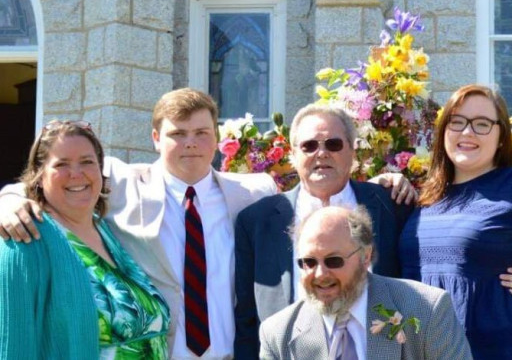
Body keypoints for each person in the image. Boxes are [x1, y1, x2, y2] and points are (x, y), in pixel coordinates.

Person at [0, 89, 411, 359]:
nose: (191, 143)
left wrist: (384, 182)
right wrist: (8, 200)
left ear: (217, 138)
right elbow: (58, 179)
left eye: (201, 132)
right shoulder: (121, 183)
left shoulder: (254, 193)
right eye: (178, 134)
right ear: (156, 139)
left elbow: (319, 200)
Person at [234, 103, 416, 358]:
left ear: (352, 151)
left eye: (333, 144)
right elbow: (245, 319)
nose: (321, 153)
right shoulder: (256, 221)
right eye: (309, 146)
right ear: (292, 154)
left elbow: (417, 292)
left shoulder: (391, 206)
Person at [0, 120, 170, 358]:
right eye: (62, 164)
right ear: (39, 176)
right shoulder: (25, 239)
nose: (76, 174)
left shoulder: (106, 229)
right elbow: (13, 346)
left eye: (87, 162)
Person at [259, 205, 472, 359]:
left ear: (365, 256)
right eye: (309, 262)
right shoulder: (277, 333)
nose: (320, 274)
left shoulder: (426, 309)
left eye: (334, 260)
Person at [399, 84, 512, 359]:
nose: (467, 132)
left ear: (501, 136)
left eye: (482, 124)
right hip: (423, 347)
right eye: (457, 122)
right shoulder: (427, 196)